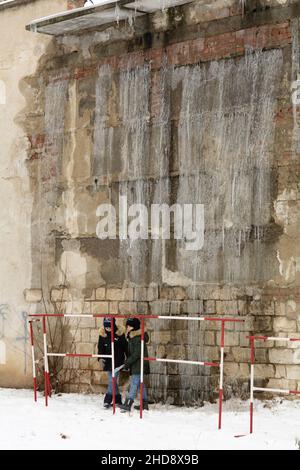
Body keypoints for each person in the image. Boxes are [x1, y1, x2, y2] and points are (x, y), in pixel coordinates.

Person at [119, 317, 150, 412]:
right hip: (136, 364)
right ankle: (144, 403)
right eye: (127, 326)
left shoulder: (137, 338)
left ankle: (128, 403)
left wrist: (127, 362)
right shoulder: (132, 337)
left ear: (134, 327)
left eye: (129, 326)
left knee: (134, 383)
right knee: (141, 384)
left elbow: (137, 353)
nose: (127, 327)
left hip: (139, 364)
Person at [98, 317, 128, 409]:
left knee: (112, 380)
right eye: (106, 328)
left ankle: (107, 400)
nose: (108, 329)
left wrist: (128, 360)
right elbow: (100, 348)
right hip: (108, 362)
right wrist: (100, 358)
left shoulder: (119, 334)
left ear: (113, 326)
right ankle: (118, 400)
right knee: (113, 381)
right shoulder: (103, 336)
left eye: (110, 327)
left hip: (118, 362)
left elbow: (125, 347)